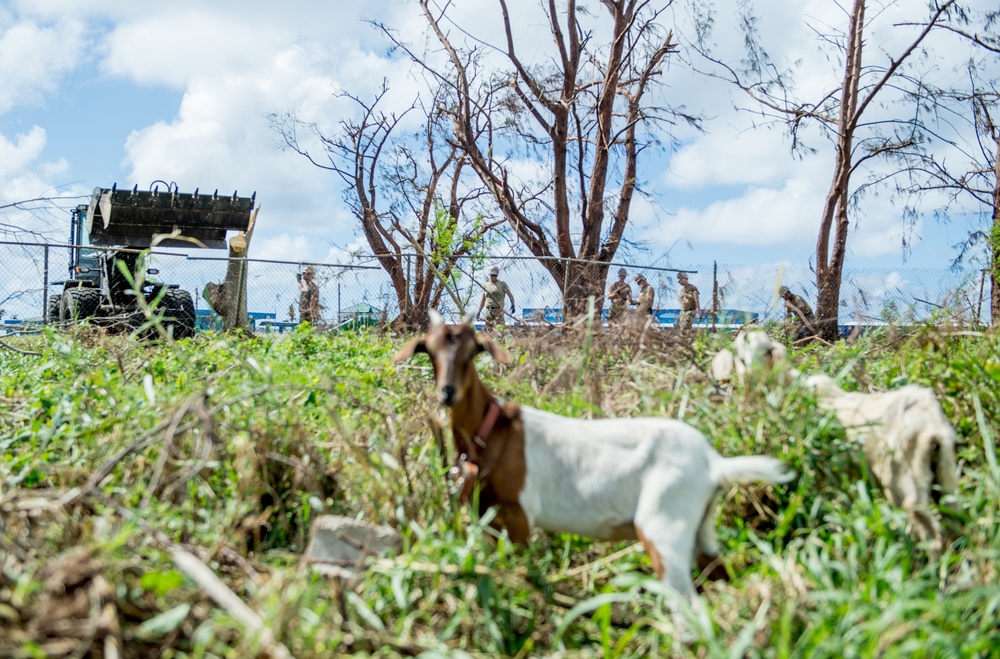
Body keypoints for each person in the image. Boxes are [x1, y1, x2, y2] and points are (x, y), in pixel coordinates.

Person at [477, 265, 515, 329]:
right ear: (489, 275)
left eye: (495, 275)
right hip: (489, 310)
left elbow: (510, 295)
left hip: (498, 310)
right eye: (492, 275)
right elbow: (483, 300)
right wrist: (479, 311)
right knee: (489, 329)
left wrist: (513, 305)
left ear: (497, 275)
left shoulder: (502, 284)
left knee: (500, 329)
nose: (493, 277)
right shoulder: (486, 285)